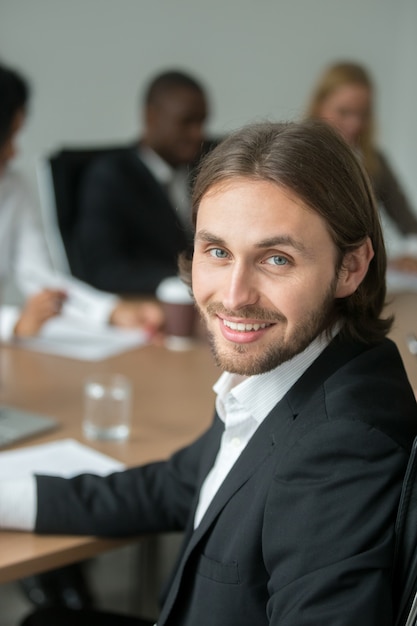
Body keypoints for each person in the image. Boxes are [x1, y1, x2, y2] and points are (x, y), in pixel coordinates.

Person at [2, 119, 417, 626]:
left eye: (277, 259)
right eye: (218, 252)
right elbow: (179, 485)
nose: (235, 295)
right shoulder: (296, 367)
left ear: (351, 268)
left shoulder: (342, 446)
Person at [0, 62, 164, 341]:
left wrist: (112, 311)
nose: (14, 152)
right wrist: (12, 323)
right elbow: (21, 320)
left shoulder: (12, 187)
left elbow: (42, 281)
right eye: (7, 138)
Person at [73, 69, 211, 295]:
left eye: (202, 122)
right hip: (152, 305)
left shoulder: (205, 166)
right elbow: (104, 270)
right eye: (186, 122)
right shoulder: (111, 177)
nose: (198, 133)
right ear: (151, 117)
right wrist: (185, 281)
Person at [305, 60, 417, 274]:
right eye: (344, 112)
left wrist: (410, 255)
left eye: (363, 114)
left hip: (358, 275)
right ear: (319, 105)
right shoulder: (294, 155)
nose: (354, 124)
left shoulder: (373, 161)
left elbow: (410, 225)